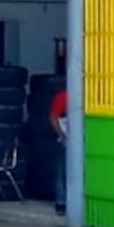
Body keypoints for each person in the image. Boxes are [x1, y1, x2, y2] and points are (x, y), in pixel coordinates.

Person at [48, 83, 70, 215]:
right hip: (65, 139)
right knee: (61, 171)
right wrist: (61, 135)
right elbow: (53, 117)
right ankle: (61, 202)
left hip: (76, 139)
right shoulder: (63, 96)